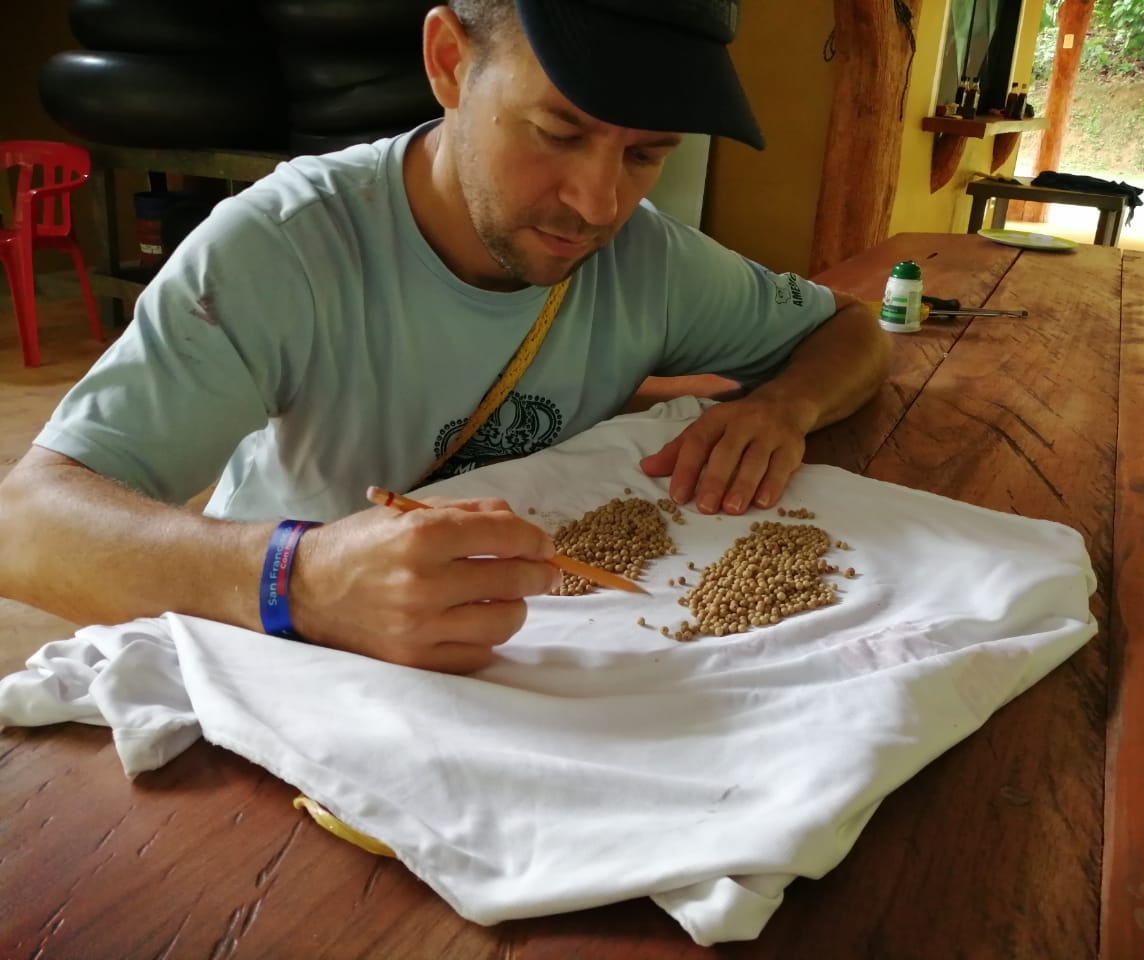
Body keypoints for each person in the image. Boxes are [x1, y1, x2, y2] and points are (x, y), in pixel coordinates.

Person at [0, 0, 891, 674]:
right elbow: (28, 527)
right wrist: (299, 579)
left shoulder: (649, 262)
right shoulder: (285, 248)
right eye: (558, 131)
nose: (598, 205)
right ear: (449, 62)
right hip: (282, 660)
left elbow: (853, 327)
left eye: (645, 155)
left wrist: (787, 404)